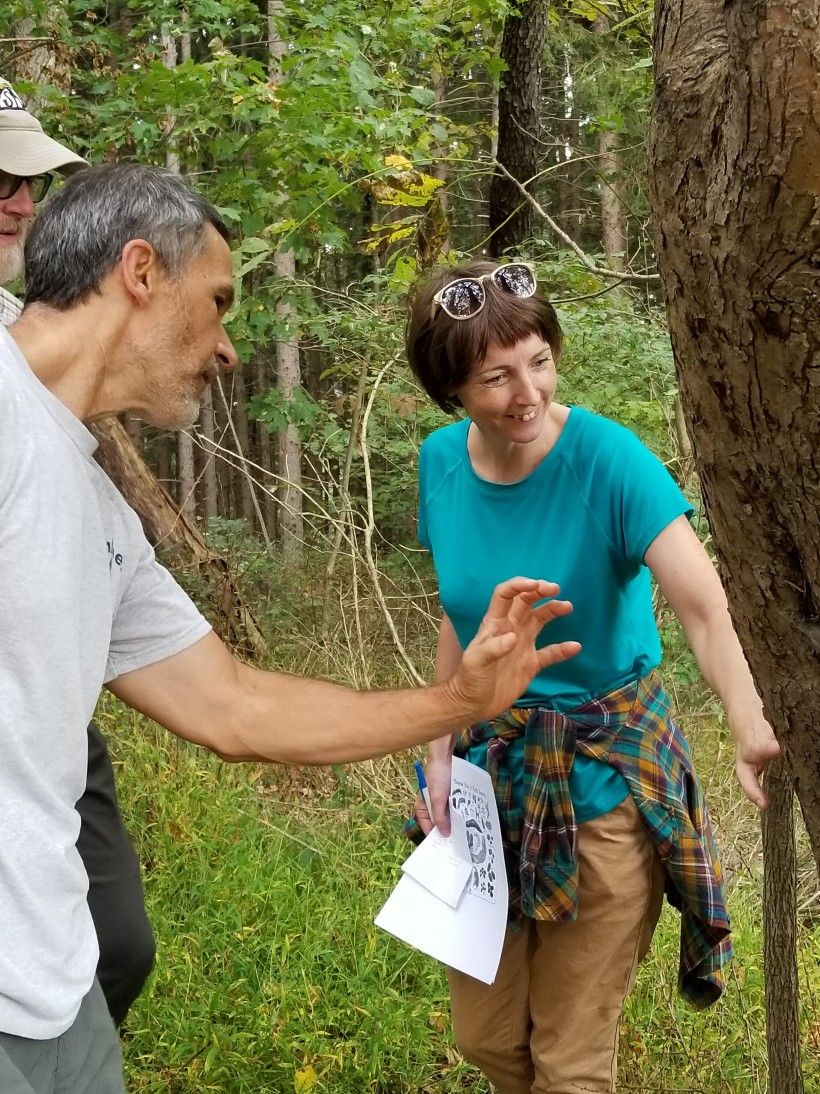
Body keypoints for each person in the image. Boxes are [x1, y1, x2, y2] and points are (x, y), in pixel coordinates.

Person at [0, 168, 581, 1094]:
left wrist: (457, 702)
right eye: (219, 303)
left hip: (56, 986)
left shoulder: (99, 510)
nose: (229, 349)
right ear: (140, 272)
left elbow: (238, 707)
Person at [405, 259, 781, 1094]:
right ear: (451, 388)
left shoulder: (611, 461)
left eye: (538, 360)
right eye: (495, 377)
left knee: (570, 1062)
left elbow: (706, 610)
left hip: (604, 788)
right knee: (490, 1039)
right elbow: (457, 618)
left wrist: (749, 722)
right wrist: (437, 746)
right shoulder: (439, 464)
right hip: (489, 783)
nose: (526, 392)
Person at [0, 78, 156, 1028]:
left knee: (120, 942)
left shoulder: (23, 328)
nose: (20, 198)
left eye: (27, 180)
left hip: (50, 691)